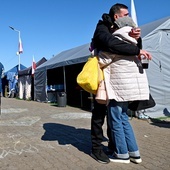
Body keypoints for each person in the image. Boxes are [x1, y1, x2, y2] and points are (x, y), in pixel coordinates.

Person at [90, 3, 150, 164]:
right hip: (104, 81)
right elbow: (109, 43)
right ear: (117, 16)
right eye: (126, 15)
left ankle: (119, 150)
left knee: (116, 118)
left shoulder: (127, 32)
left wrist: (137, 40)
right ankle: (97, 148)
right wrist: (136, 49)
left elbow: (130, 49)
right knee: (100, 113)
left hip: (117, 82)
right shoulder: (103, 27)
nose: (129, 18)